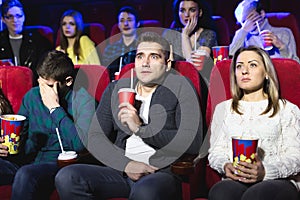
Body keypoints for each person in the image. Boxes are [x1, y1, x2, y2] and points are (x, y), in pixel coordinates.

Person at [55, 32, 203, 199]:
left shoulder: (182, 88)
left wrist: (140, 129)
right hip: (120, 172)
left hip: (160, 173)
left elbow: (192, 142)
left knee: (145, 192)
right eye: (140, 56)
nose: (145, 63)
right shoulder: (116, 89)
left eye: (154, 56)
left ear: (167, 64)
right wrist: (126, 165)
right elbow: (95, 137)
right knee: (68, 177)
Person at [0, 50, 96, 200]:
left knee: (26, 174)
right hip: (27, 161)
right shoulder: (32, 96)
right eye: (40, 82)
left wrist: (55, 108)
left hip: (58, 167)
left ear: (68, 81)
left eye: (49, 86)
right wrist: (8, 147)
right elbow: (21, 141)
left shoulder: (83, 101)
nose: (42, 91)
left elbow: (81, 145)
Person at [208, 45, 300, 200]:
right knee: (220, 193)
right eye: (239, 66)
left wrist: (265, 172)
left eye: (252, 65)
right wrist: (225, 165)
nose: (244, 71)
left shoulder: (287, 109)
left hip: (278, 181)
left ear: (266, 73)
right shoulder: (223, 109)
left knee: (256, 196)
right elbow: (216, 152)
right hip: (237, 178)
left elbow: (296, 156)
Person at [0, 0, 53, 85]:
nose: (15, 20)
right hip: (7, 86)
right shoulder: (1, 41)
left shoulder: (38, 40)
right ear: (3, 19)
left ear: (24, 17)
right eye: (10, 16)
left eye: (19, 16)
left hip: (33, 86)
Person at [163, 0, 217, 82]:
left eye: (192, 10)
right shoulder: (170, 34)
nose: (186, 15)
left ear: (200, 12)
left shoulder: (208, 34)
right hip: (175, 82)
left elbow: (193, 67)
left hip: (200, 83)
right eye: (182, 10)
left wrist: (185, 35)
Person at [229, 0, 299, 63]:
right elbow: (231, 57)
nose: (249, 23)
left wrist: (281, 47)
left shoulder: (284, 33)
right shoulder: (242, 36)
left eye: (251, 17)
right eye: (244, 22)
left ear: (262, 14)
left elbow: (296, 65)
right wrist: (243, 31)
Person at [102, 6, 140, 81]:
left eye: (129, 20)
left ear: (137, 24)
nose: (125, 24)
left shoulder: (143, 48)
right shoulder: (110, 49)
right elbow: (105, 75)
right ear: (118, 25)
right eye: (122, 21)